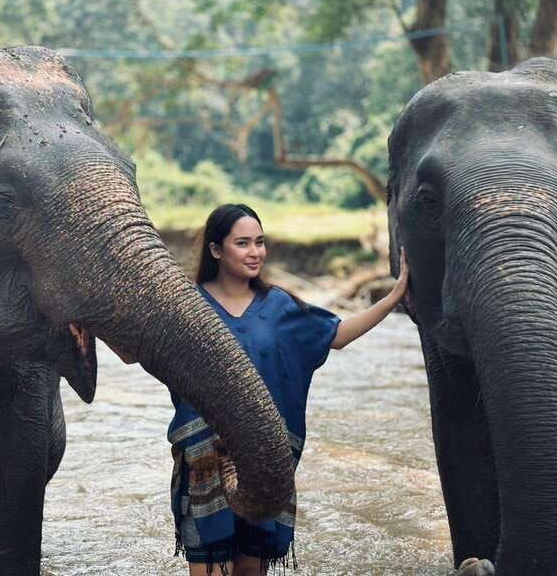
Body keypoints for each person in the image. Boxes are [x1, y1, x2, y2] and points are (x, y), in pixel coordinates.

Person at [168, 203, 409, 576]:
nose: (255, 253)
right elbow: (139, 348)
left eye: (260, 243)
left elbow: (337, 335)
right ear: (216, 250)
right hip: (205, 462)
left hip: (267, 464)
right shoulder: (186, 306)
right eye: (243, 243)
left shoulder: (279, 306)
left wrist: (393, 298)